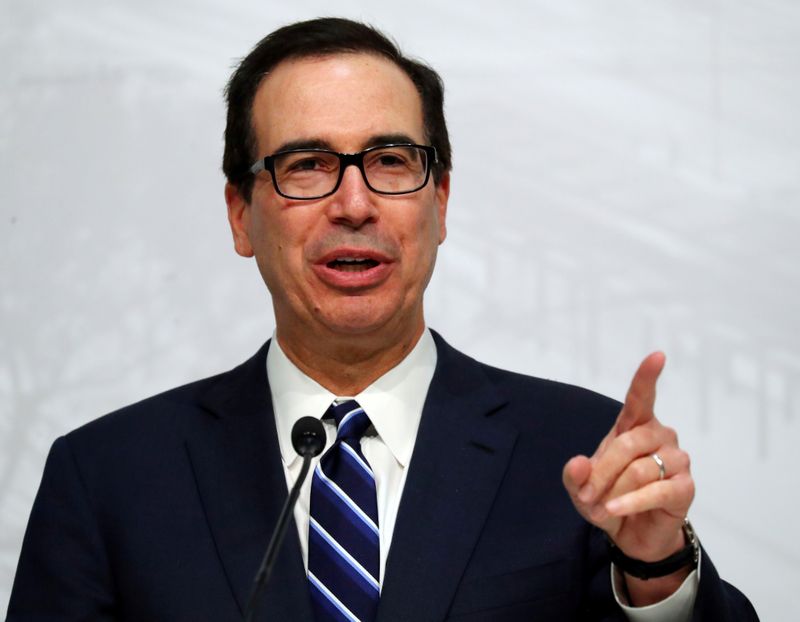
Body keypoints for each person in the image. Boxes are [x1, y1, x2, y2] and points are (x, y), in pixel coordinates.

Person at [8, 17, 758, 622]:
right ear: (240, 215)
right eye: (306, 164)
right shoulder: (108, 477)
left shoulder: (583, 456)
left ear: (441, 203)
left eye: (392, 161)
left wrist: (656, 573)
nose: (355, 203)